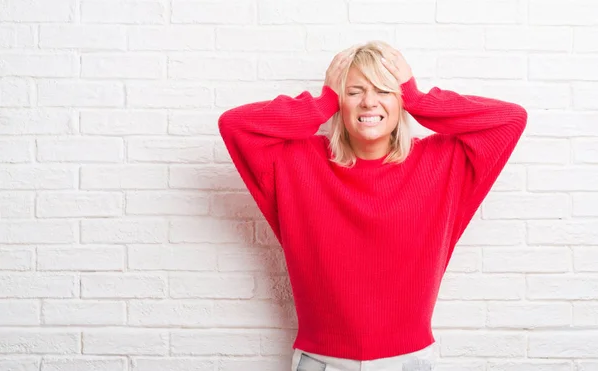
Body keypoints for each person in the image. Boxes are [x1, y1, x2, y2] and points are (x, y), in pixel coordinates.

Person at [218, 41, 527, 371]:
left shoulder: (442, 164)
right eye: (354, 91)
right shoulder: (294, 163)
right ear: (340, 100)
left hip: (408, 361)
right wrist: (322, 103)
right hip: (321, 362)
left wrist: (420, 100)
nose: (368, 101)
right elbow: (235, 125)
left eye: (384, 90)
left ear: (400, 100)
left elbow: (510, 119)